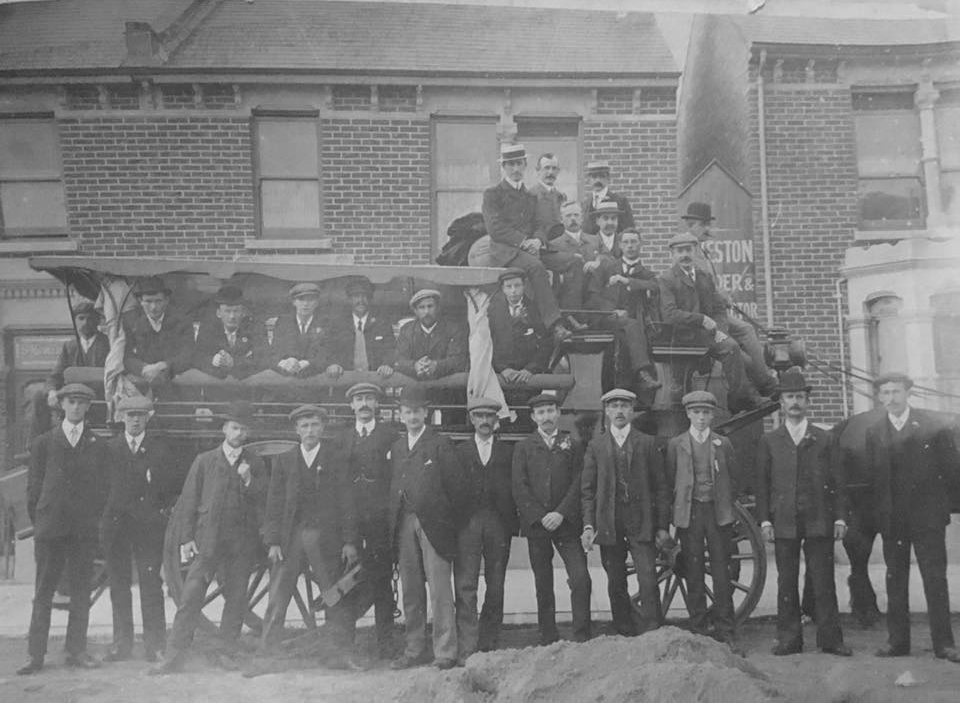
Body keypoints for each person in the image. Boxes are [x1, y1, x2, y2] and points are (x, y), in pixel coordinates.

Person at [152, 401, 268, 674]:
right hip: (208, 541)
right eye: (235, 428)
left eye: (243, 429)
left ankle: (226, 652)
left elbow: (263, 499)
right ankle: (174, 655)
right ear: (224, 429)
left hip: (240, 542)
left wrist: (249, 479)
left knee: (237, 599)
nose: (239, 433)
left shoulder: (254, 462)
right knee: (191, 596)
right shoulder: (204, 461)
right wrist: (186, 539)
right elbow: (189, 501)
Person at [259, 404, 363, 670]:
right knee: (279, 592)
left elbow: (348, 502)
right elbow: (274, 503)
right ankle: (267, 655)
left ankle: (337, 654)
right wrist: (273, 542)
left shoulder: (336, 459)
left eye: (314, 425)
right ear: (296, 430)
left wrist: (350, 540)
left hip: (325, 537)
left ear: (322, 428)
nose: (310, 431)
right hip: (291, 537)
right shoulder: (283, 461)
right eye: (304, 426)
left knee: (333, 594)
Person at [756, 369, 852, 657]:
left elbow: (838, 482)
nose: (795, 402)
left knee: (823, 581)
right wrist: (764, 520)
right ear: (781, 403)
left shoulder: (825, 439)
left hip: (819, 518)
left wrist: (840, 517)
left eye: (799, 396)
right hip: (783, 520)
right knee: (786, 581)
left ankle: (830, 639)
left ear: (806, 401)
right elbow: (762, 486)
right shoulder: (769, 441)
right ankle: (789, 639)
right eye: (789, 397)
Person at [866, 372, 960, 662]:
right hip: (893, 520)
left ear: (908, 393)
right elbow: (873, 481)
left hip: (927, 518)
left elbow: (952, 471)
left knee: (935, 579)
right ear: (880, 397)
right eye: (886, 393)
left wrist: (946, 510)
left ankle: (944, 644)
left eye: (896, 392)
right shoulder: (875, 433)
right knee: (895, 581)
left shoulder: (932, 428)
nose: (891, 398)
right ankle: (898, 642)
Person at [18, 383, 107, 675]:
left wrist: (91, 520)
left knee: (81, 591)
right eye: (72, 401)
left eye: (82, 403)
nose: (77, 407)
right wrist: (42, 520)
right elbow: (33, 491)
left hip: (82, 531)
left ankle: (76, 651)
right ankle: (36, 655)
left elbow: (101, 491)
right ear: (62, 405)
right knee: (44, 591)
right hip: (51, 529)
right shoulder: (44, 443)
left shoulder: (97, 444)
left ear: (88, 407)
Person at [581, 389, 669, 637]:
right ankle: (624, 630)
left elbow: (661, 487)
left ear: (632, 411)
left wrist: (662, 526)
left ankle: (654, 632)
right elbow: (587, 490)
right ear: (607, 412)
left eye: (624, 406)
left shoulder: (647, 443)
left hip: (641, 521)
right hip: (610, 522)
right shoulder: (596, 446)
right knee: (615, 582)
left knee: (648, 579)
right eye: (614, 406)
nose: (619, 411)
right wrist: (589, 525)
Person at [388, 386, 465, 670]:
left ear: (426, 413)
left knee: (440, 589)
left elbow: (457, 488)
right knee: (411, 590)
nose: (412, 417)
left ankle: (445, 651)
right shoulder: (397, 447)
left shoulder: (440, 443)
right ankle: (414, 648)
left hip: (434, 525)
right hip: (404, 523)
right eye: (407, 412)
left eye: (417, 411)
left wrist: (445, 521)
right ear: (400, 415)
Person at [101, 395, 179, 664]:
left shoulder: (161, 450)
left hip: (148, 527)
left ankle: (155, 644)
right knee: (119, 585)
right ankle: (121, 644)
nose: (135, 419)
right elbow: (98, 490)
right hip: (116, 527)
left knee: (150, 584)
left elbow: (172, 489)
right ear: (121, 417)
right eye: (130, 414)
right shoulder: (108, 449)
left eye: (140, 415)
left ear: (148, 417)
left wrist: (161, 513)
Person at [512, 393, 591, 645]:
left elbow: (580, 481)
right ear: (533, 417)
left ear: (558, 413)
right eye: (541, 412)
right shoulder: (523, 447)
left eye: (550, 411)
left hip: (565, 523)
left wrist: (561, 513)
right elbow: (519, 487)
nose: (546, 416)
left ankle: (582, 636)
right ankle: (548, 637)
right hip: (538, 526)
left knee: (580, 578)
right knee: (543, 582)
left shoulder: (572, 443)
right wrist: (540, 515)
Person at [475, 143, 573, 341]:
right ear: (504, 167)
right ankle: (555, 324)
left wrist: (537, 239)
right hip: (505, 252)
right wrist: (524, 241)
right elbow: (495, 229)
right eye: (510, 164)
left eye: (519, 164)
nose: (516, 169)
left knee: (574, 262)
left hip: (530, 249)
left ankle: (571, 315)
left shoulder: (530, 196)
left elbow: (539, 224)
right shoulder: (493, 194)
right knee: (536, 267)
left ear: (525, 164)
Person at [666, 391, 739, 651]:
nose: (701, 418)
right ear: (688, 414)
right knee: (693, 572)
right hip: (690, 514)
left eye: (706, 413)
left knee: (721, 573)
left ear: (712, 415)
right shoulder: (677, 445)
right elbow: (670, 480)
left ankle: (725, 630)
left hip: (717, 514)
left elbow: (733, 479)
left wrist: (725, 506)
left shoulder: (723, 444)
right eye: (696, 412)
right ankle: (698, 628)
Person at [683, 202, 777, 397]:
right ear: (692, 225)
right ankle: (758, 386)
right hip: (704, 319)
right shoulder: (689, 254)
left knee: (747, 328)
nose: (708, 230)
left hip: (715, 311)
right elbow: (698, 290)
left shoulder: (701, 251)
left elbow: (710, 286)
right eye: (704, 225)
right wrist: (720, 296)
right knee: (740, 351)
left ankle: (765, 380)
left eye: (708, 225)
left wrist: (721, 295)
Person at [658, 233, 758, 411]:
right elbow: (670, 314)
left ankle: (741, 399)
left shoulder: (704, 277)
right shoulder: (666, 279)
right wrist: (702, 319)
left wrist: (720, 331)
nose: (684, 255)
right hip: (682, 336)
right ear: (672, 255)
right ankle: (741, 401)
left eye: (688, 250)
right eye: (679, 251)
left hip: (706, 335)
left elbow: (719, 308)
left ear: (695, 251)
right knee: (733, 348)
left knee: (741, 355)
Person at [335, 382, 398, 659]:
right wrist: (347, 535)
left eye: (368, 399)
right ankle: (345, 644)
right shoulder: (342, 438)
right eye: (358, 399)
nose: (363, 404)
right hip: (350, 522)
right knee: (347, 581)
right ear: (351, 405)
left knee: (383, 582)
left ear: (376, 404)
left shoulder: (390, 436)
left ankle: (386, 643)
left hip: (380, 522)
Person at [454, 397, 518, 662]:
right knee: (466, 583)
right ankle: (467, 644)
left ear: (496, 420)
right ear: (471, 420)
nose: (484, 421)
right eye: (479, 416)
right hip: (468, 523)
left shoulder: (508, 452)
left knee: (496, 583)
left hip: (497, 523)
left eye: (489, 417)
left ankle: (489, 641)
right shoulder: (460, 451)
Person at [585, 229, 661, 394]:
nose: (630, 246)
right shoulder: (607, 267)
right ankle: (642, 372)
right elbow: (592, 296)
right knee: (630, 324)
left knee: (631, 327)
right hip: (607, 319)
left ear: (640, 244)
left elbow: (655, 287)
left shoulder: (647, 274)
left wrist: (627, 281)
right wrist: (612, 311)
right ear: (619, 245)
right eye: (626, 242)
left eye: (634, 242)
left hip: (634, 328)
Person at [31, 300, 110, 439]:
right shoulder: (69, 346)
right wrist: (51, 391)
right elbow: (55, 375)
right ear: (75, 320)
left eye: (90, 318)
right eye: (81, 318)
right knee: (39, 396)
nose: (85, 322)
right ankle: (37, 445)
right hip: (73, 396)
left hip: (99, 397)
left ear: (98, 320)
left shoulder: (108, 344)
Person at [122, 276, 194, 389]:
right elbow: (125, 355)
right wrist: (144, 368)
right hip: (141, 383)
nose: (153, 307)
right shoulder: (130, 320)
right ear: (140, 301)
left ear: (166, 300)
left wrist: (163, 366)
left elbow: (187, 354)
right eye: (148, 301)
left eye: (158, 301)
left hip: (173, 384)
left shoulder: (182, 320)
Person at [488, 268, 552, 385]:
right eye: (509, 286)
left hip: (529, 377)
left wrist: (530, 369)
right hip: (501, 376)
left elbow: (546, 344)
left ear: (524, 286)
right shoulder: (492, 311)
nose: (513, 291)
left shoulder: (536, 309)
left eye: (517, 285)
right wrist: (502, 369)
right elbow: (487, 343)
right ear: (503, 289)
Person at [326, 276, 396, 379]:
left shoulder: (382, 323)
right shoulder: (338, 324)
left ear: (370, 298)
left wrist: (387, 365)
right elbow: (329, 349)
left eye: (365, 296)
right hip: (344, 379)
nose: (361, 300)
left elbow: (391, 349)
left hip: (375, 379)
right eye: (356, 296)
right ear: (350, 299)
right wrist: (333, 364)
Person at [394, 289, 467, 381]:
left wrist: (436, 366)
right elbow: (399, 360)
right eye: (421, 307)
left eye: (430, 306)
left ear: (438, 308)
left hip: (445, 385)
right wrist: (415, 366)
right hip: (416, 385)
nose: (426, 312)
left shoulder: (453, 329)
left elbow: (458, 360)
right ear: (415, 311)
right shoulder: (407, 330)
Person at [192, 285, 263, 379]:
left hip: (245, 385)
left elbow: (263, 357)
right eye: (227, 311)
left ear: (243, 312)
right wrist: (213, 360)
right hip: (216, 385)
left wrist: (235, 362)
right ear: (218, 313)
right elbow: (197, 357)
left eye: (236, 311)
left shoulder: (254, 327)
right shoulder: (208, 329)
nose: (232, 316)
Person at [269, 282, 331, 378]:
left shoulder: (325, 324)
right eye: (301, 299)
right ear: (294, 302)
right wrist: (284, 362)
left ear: (317, 303)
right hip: (286, 376)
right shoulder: (283, 323)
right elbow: (274, 352)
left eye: (310, 300)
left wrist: (306, 363)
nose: (305, 304)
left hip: (314, 376)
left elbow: (326, 353)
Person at [581, 160, 635, 236]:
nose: (598, 180)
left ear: (608, 178)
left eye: (601, 176)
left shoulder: (620, 201)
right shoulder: (584, 204)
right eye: (594, 177)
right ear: (589, 180)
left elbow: (628, 232)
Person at [529, 153, 565, 243]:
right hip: (540, 245)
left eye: (554, 168)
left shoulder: (560, 196)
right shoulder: (530, 195)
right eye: (547, 168)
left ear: (558, 171)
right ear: (538, 170)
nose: (550, 172)